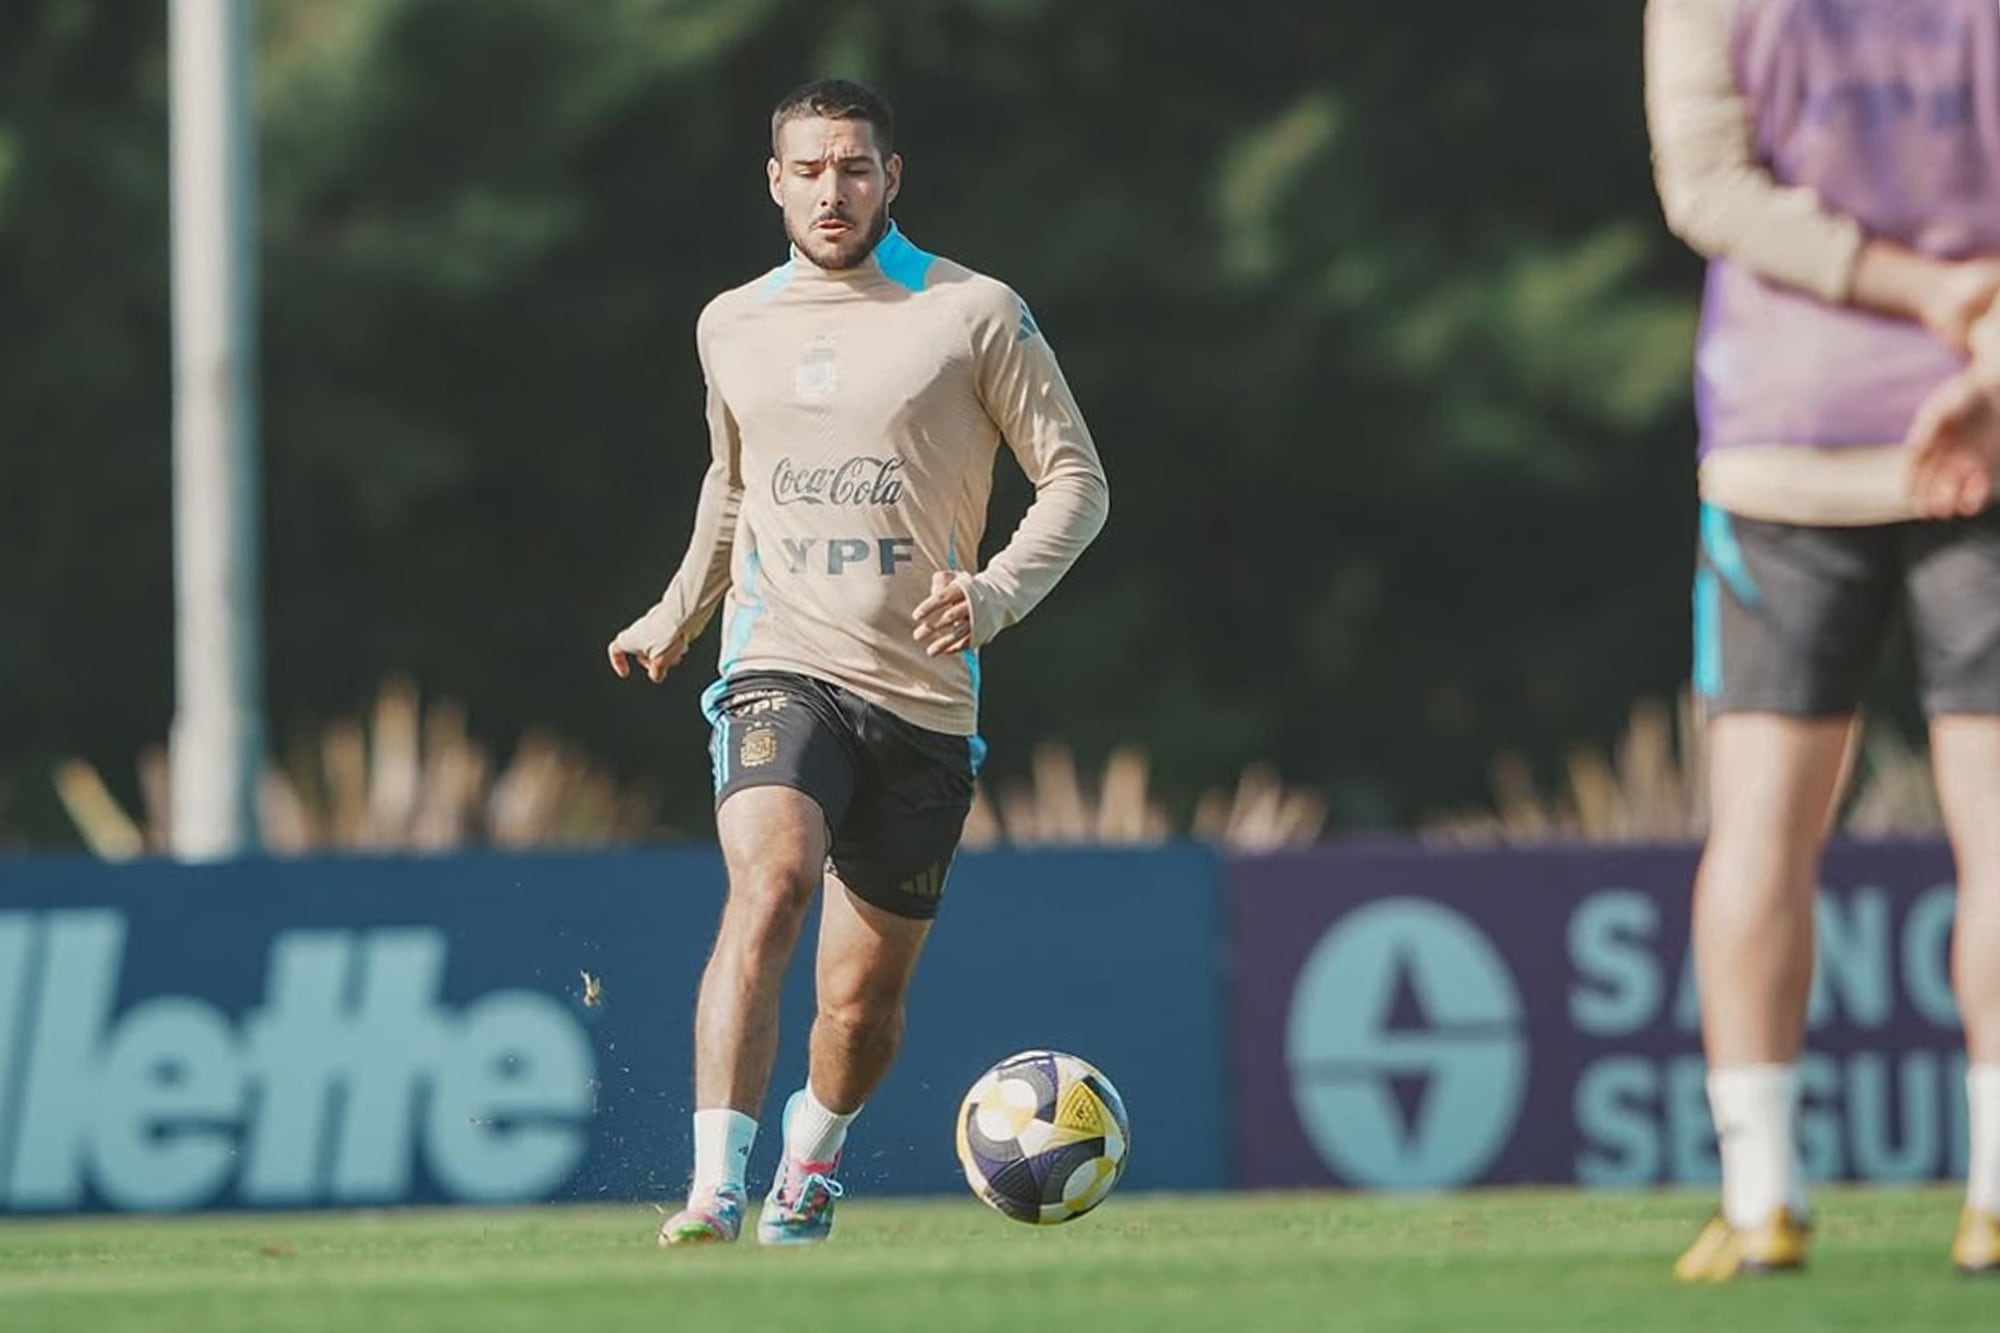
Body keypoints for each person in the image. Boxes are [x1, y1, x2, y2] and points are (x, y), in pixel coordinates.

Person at [607, 78, 1108, 1246]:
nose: (830, 191)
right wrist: (678, 611)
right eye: (808, 170)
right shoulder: (730, 322)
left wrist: (992, 594)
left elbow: (1075, 481)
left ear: (891, 177)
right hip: (778, 661)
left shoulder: (972, 311)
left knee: (857, 1004)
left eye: (852, 168)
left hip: (921, 697)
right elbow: (732, 485)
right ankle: (712, 1186)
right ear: (773, 182)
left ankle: (811, 1156)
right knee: (770, 882)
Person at [1646, 0, 2000, 1281]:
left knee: (1758, 830)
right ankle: (1994, 1198)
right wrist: (1977, 335)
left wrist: (1911, 290)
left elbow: (1708, 191)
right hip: (1987, 431)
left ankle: (1760, 1200)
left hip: (1782, 436)